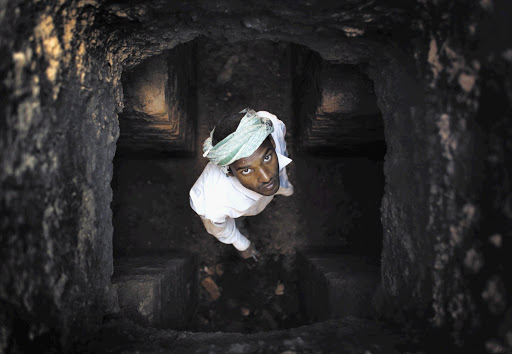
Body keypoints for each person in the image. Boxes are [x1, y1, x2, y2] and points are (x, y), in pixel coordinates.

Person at [189, 108, 293, 260]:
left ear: (271, 143)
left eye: (267, 158)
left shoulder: (272, 125)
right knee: (238, 221)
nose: (265, 177)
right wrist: (243, 245)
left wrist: (284, 186)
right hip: (238, 210)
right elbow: (221, 229)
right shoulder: (212, 203)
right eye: (246, 171)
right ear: (229, 172)